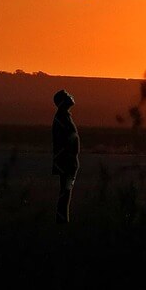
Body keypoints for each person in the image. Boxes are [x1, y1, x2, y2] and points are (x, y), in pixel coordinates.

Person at [51, 89, 80, 223]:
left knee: (66, 192)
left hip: (69, 161)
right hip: (66, 162)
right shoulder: (61, 118)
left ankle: (62, 220)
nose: (70, 97)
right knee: (65, 192)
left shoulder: (65, 116)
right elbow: (62, 141)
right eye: (67, 96)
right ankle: (62, 221)